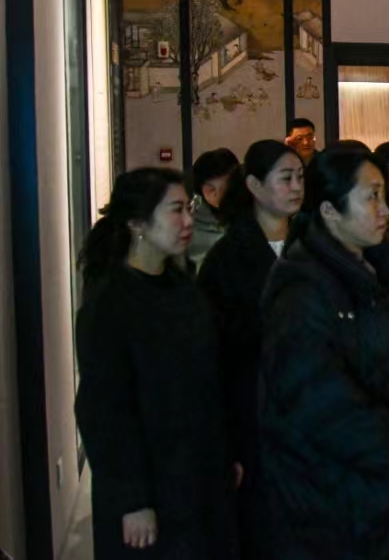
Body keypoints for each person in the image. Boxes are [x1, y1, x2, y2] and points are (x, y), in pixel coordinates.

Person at [258, 144, 389, 559]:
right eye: (371, 197)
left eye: (383, 194)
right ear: (330, 211)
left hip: (386, 484)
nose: (385, 210)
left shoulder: (375, 268)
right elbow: (321, 403)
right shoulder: (300, 288)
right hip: (337, 496)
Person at [75, 168, 233, 559]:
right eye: (175, 210)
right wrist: (132, 499)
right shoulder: (110, 302)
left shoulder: (184, 289)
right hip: (151, 487)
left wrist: (224, 455)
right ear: (137, 222)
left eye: (189, 208)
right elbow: (103, 409)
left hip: (196, 477)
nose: (188, 221)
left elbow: (208, 383)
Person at [199, 140, 304, 559]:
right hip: (254, 414)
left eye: (301, 177)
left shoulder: (311, 244)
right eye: (286, 178)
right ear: (255, 186)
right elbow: (217, 355)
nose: (296, 187)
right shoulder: (226, 258)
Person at [189, 147, 239, 270]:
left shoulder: (250, 218)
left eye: (224, 188)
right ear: (200, 189)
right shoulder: (191, 226)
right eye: (211, 189)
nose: (218, 194)